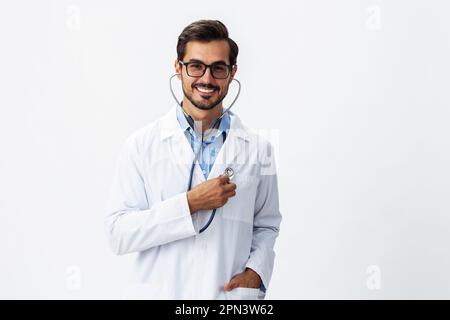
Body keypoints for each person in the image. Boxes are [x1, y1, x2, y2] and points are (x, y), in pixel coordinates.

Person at [105, 19, 282, 299]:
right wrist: (189, 204)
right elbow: (118, 233)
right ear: (178, 68)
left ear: (232, 72)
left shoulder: (259, 150)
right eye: (196, 66)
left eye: (218, 68)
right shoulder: (141, 145)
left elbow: (267, 225)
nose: (207, 79)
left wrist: (256, 273)